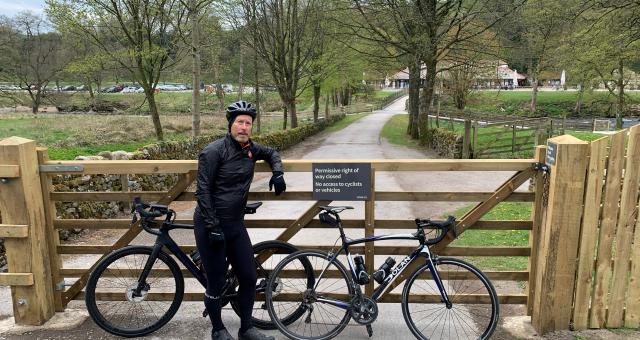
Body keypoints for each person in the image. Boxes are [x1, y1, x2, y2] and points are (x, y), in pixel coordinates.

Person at [194, 100, 286, 340]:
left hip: (235, 224)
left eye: (248, 123)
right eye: (239, 122)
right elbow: (202, 191)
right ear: (230, 125)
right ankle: (218, 329)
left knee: (248, 277)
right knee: (215, 282)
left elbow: (272, 152)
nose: (244, 127)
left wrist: (278, 172)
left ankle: (246, 328)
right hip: (210, 225)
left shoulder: (251, 149)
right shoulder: (213, 151)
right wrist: (213, 227)